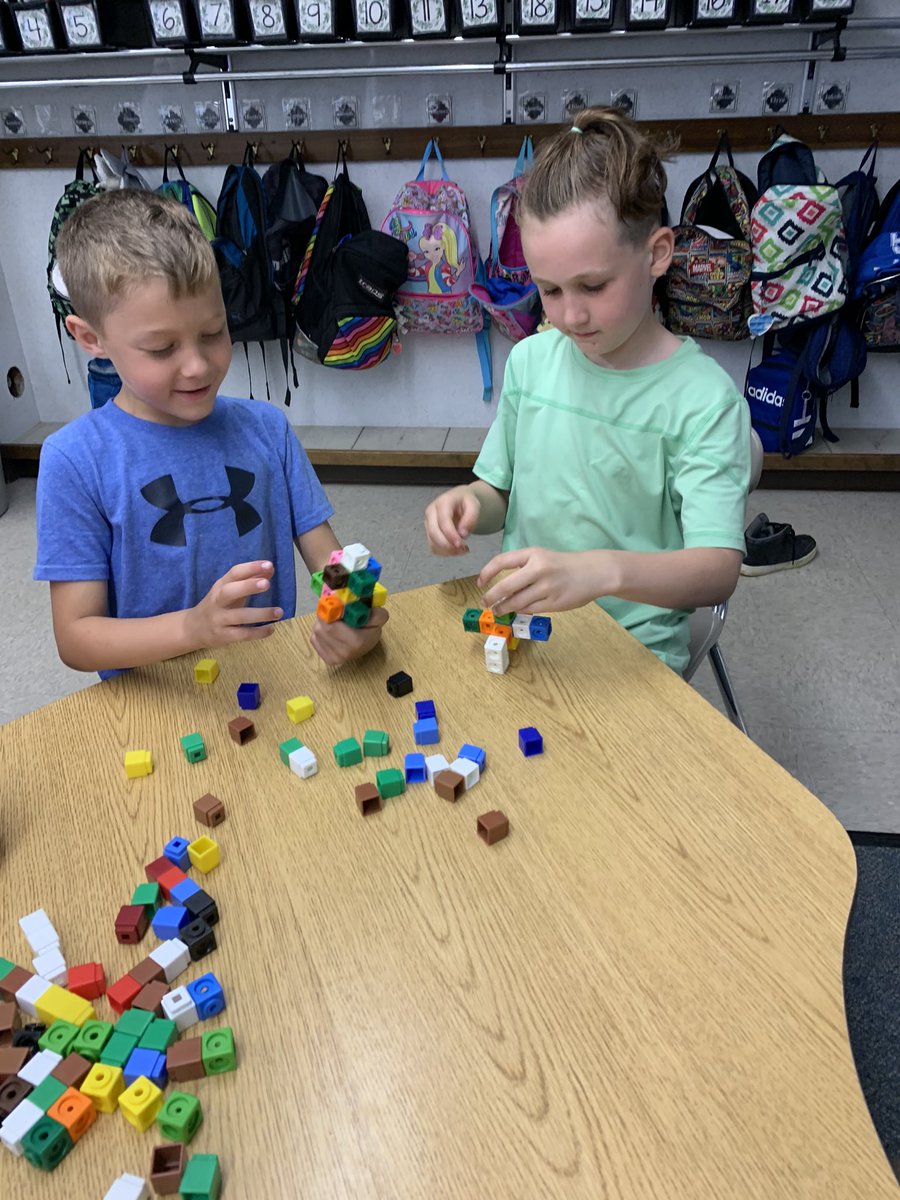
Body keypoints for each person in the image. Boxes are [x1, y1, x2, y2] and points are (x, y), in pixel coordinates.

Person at [424, 107, 750, 676]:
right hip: (524, 627)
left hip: (633, 649)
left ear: (656, 253)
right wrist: (467, 504)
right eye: (548, 289)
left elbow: (718, 567)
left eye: (593, 286)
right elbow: (499, 491)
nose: (570, 315)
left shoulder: (703, 399)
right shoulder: (529, 362)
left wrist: (598, 572)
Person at [34, 189, 386, 677]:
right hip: (155, 703)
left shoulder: (268, 430)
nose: (198, 366)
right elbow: (76, 638)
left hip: (267, 682)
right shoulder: (73, 459)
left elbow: (334, 559)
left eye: (214, 332)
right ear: (91, 338)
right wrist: (192, 628)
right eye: (161, 349)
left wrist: (360, 613)